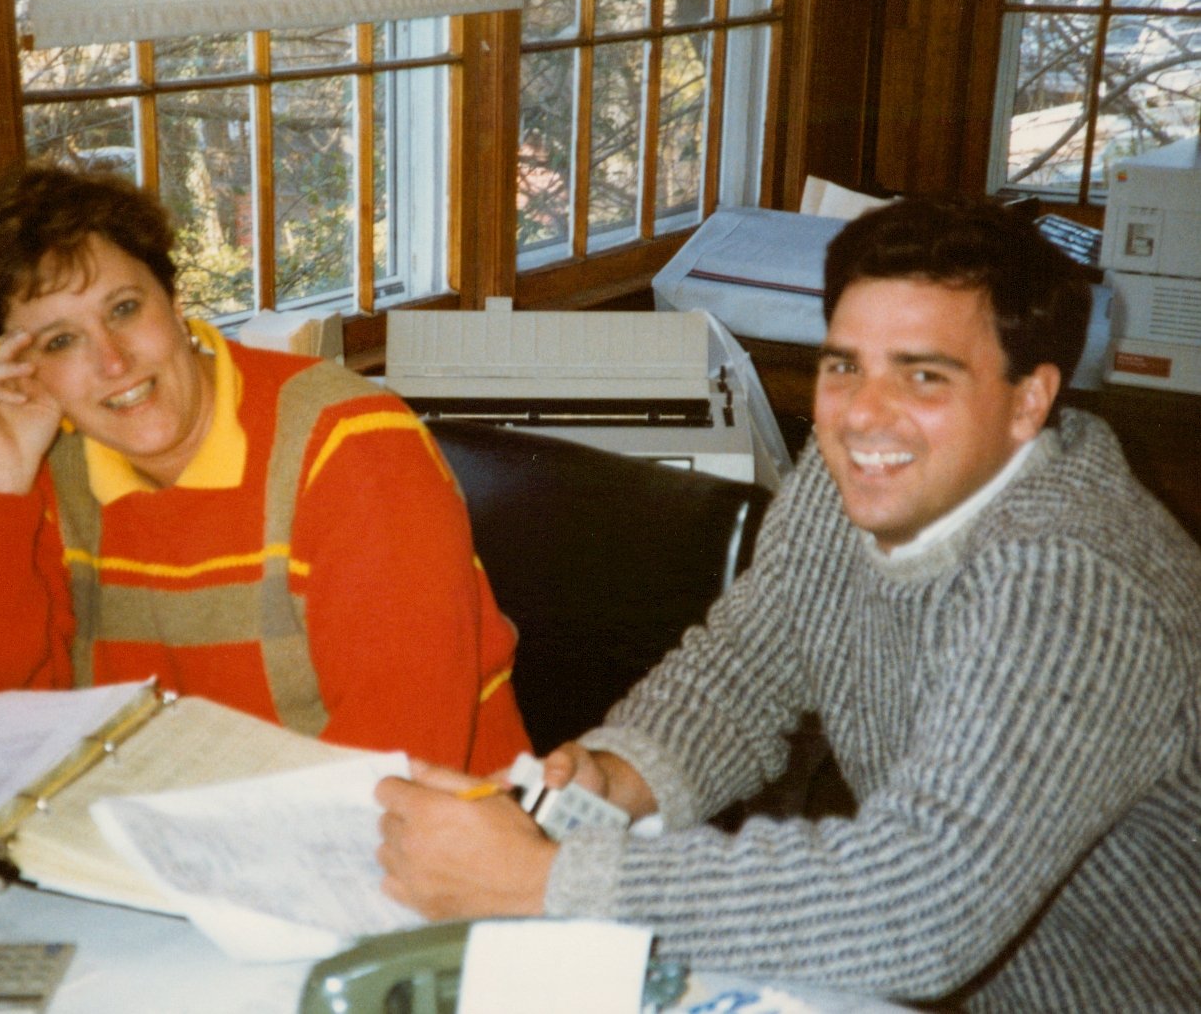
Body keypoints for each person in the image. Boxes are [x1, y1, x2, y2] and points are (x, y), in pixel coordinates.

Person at [374, 196, 1201, 1008]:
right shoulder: (854, 480)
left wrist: (547, 881)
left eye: (923, 375)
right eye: (846, 365)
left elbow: (919, 908)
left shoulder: (1074, 579)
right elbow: (746, 675)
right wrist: (623, 777)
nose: (860, 415)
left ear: (1030, 400)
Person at [0, 163, 530, 775]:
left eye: (124, 308)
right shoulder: (53, 475)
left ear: (171, 298)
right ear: (19, 367)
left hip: (424, 857)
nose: (113, 362)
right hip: (167, 848)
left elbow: (399, 761)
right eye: (60, 341)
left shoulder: (352, 448)